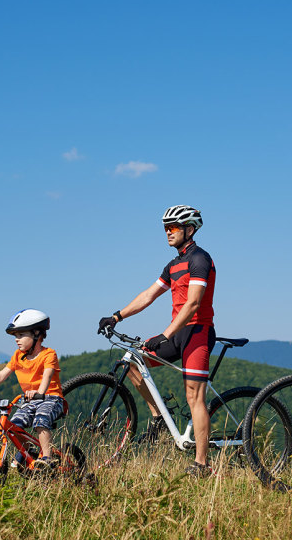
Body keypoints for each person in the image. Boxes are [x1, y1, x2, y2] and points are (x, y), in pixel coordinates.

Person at [98, 205, 216, 478]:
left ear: (189, 228)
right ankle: (159, 417)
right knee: (134, 363)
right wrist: (117, 316)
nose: (167, 232)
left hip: (197, 332)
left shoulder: (201, 259)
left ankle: (202, 464)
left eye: (172, 227)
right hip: (176, 333)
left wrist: (166, 333)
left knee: (193, 396)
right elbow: (148, 295)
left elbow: (194, 302)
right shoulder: (173, 264)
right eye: (165, 227)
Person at [0, 309, 64, 467]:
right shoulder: (18, 355)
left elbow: (48, 375)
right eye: (15, 336)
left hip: (51, 398)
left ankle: (47, 459)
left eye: (21, 335)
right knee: (14, 425)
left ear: (37, 333)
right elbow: (3, 374)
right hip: (29, 399)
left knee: (40, 421)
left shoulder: (49, 354)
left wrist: (40, 392)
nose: (17, 339)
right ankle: (26, 453)